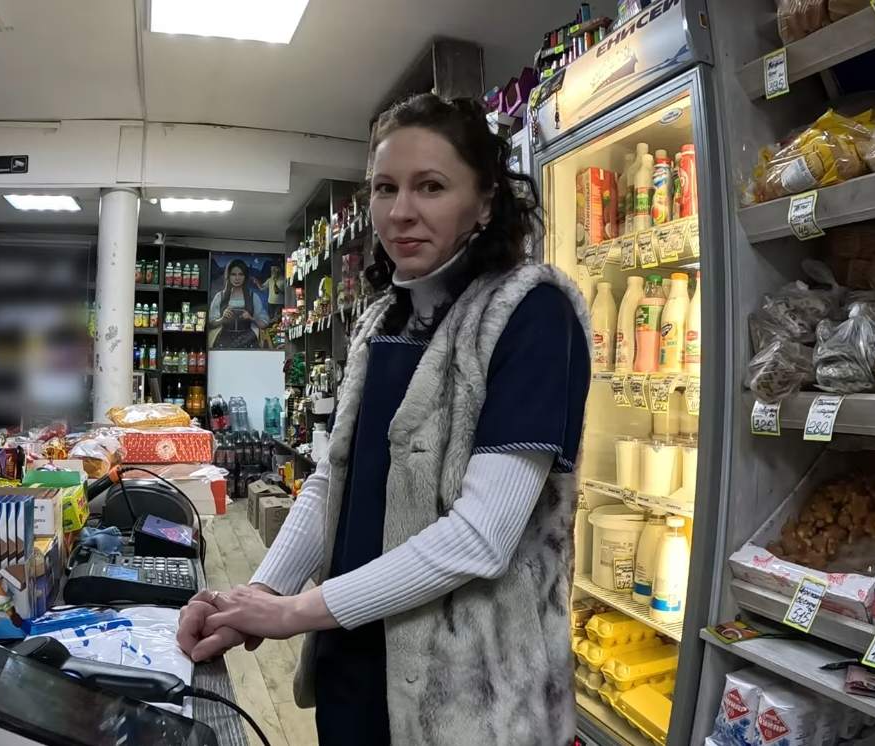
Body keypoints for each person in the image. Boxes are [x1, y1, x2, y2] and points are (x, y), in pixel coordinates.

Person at [178, 93, 590, 746]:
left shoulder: (531, 314)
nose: (400, 212)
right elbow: (331, 485)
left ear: (485, 202)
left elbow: (482, 535)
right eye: (385, 187)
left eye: (431, 186)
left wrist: (297, 611)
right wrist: (255, 598)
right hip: (355, 666)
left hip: (471, 703)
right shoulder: (380, 321)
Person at [208, 259, 269, 349]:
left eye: (240, 274)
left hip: (248, 341)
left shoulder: (253, 297)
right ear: (228, 276)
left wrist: (251, 318)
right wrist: (222, 319)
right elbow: (210, 324)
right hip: (225, 341)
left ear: (245, 276)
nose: (237, 278)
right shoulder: (220, 296)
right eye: (233, 274)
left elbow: (263, 325)